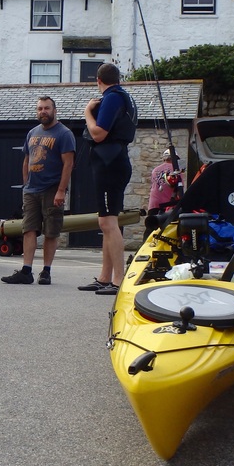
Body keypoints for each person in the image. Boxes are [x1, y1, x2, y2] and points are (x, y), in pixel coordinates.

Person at [2, 96, 76, 285]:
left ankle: (46, 271)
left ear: (54, 110)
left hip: (52, 188)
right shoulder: (32, 133)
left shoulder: (64, 134)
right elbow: (27, 159)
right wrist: (26, 183)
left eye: (47, 108)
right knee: (29, 229)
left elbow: (68, 164)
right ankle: (26, 271)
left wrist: (61, 190)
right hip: (31, 190)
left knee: (51, 231)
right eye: (40, 109)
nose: (43, 112)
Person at [79, 62, 136, 296]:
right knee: (107, 221)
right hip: (115, 160)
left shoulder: (112, 97)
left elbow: (98, 133)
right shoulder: (124, 96)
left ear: (98, 81)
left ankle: (118, 279)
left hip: (109, 164)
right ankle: (105, 277)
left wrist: (87, 113)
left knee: (108, 223)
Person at [148, 148, 179, 215]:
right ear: (174, 158)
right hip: (168, 206)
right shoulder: (176, 170)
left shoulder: (155, 170)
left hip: (153, 205)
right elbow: (180, 188)